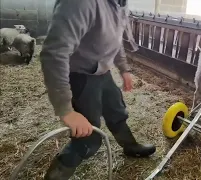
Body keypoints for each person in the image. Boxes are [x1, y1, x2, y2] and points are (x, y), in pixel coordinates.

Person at [39, 0, 156, 179]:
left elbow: (116, 39)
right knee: (88, 137)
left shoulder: (119, 3)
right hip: (79, 75)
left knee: (116, 111)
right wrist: (66, 110)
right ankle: (55, 177)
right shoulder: (81, 3)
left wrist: (124, 69)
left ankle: (130, 146)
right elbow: (54, 53)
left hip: (102, 72)